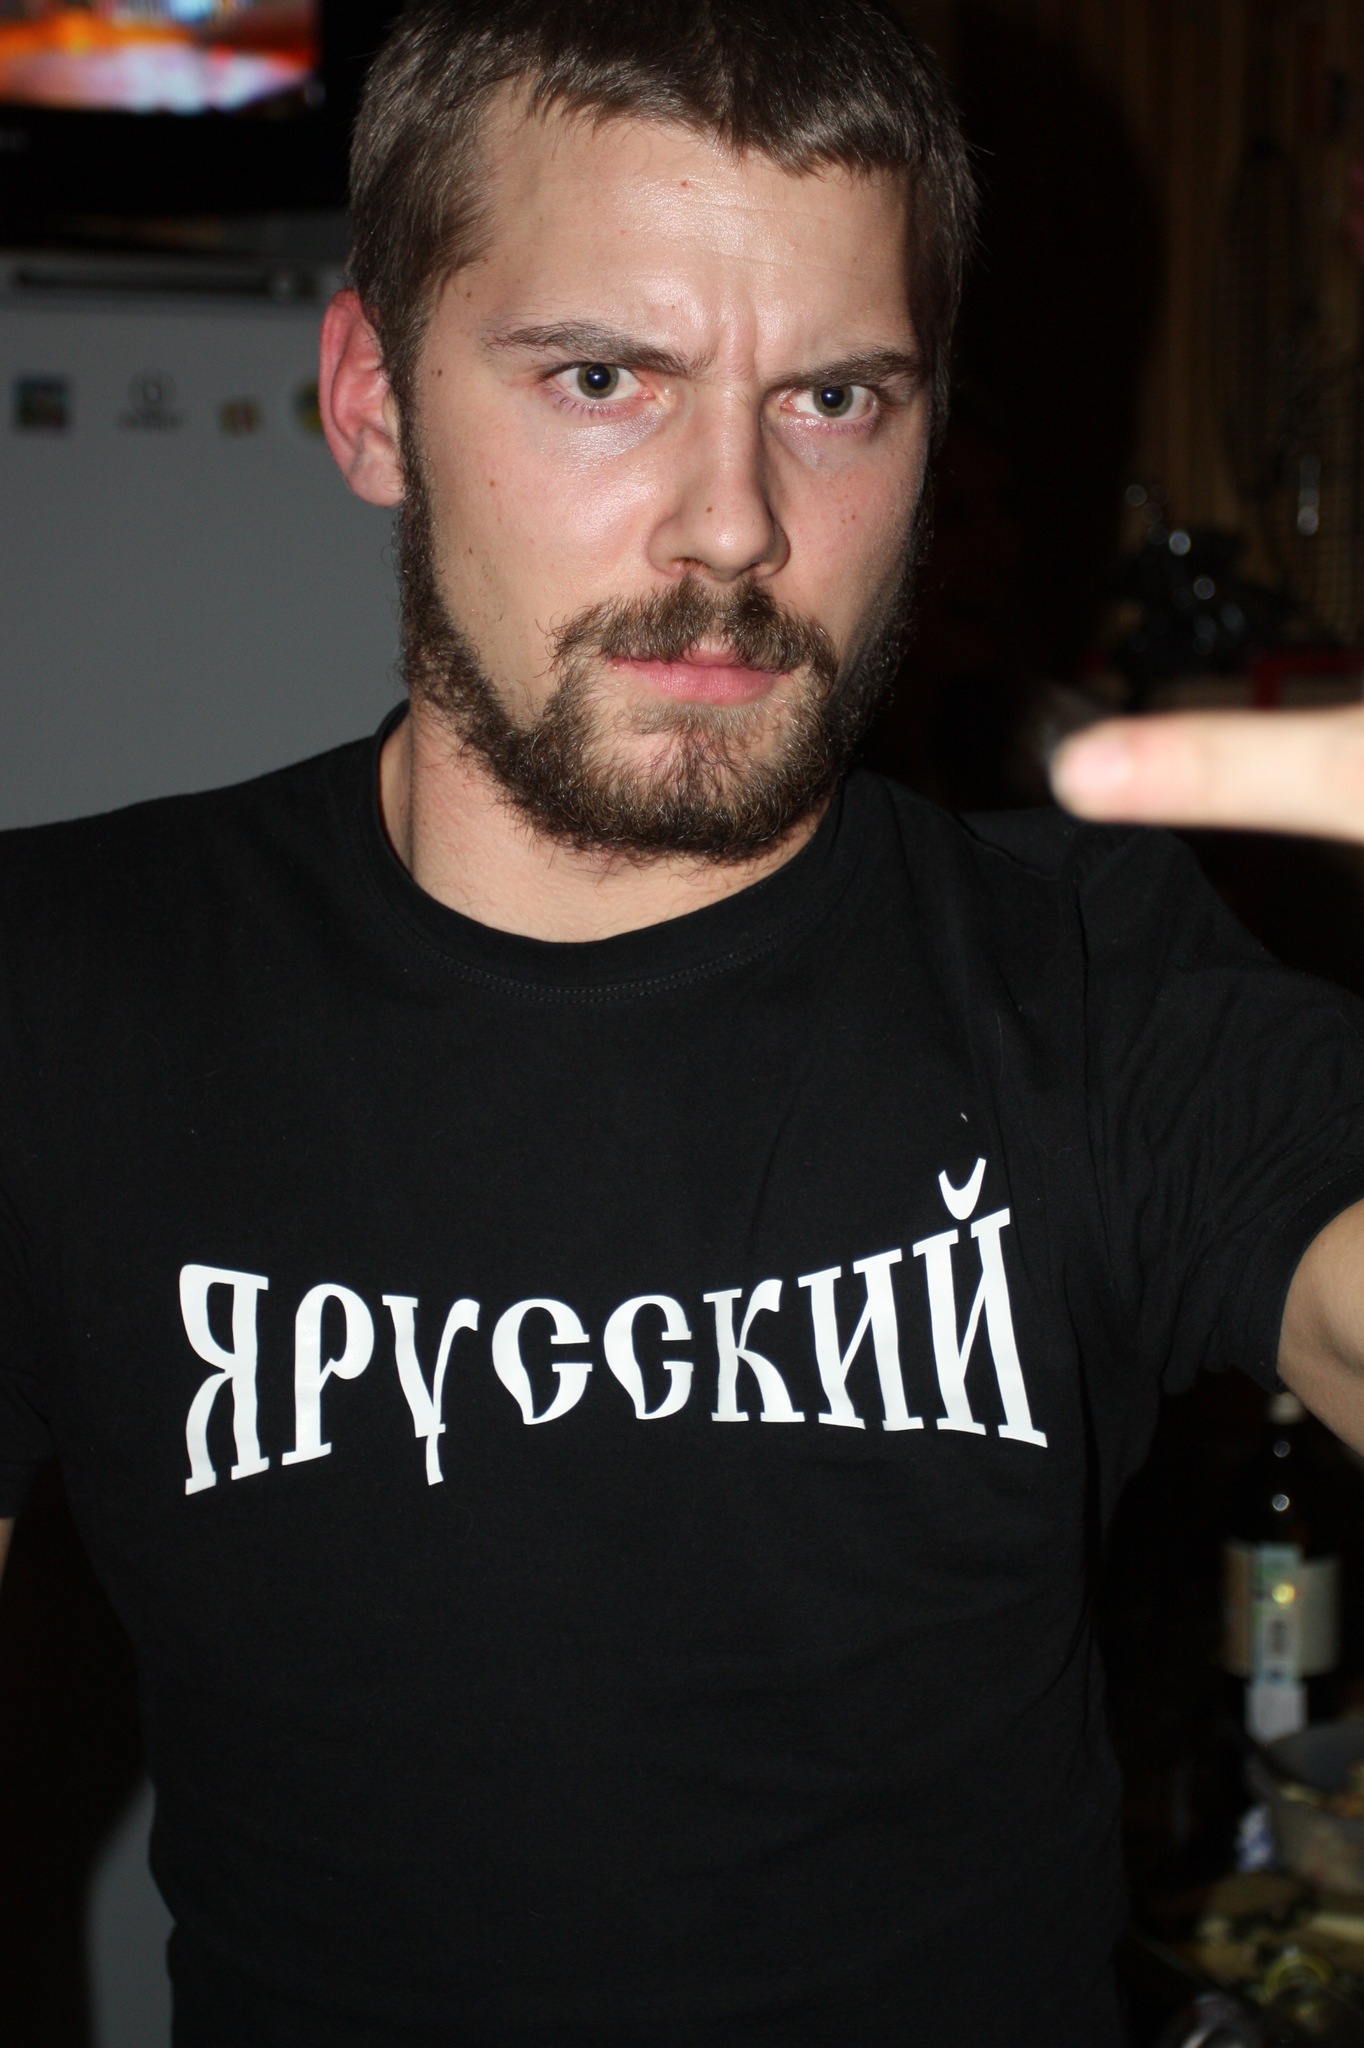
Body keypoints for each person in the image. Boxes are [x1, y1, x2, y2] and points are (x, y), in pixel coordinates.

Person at [5, 2, 1364, 2042]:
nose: (731, 524)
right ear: (370, 399)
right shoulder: (60, 989)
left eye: (833, 397)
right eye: (601, 379)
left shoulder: (1089, 975)